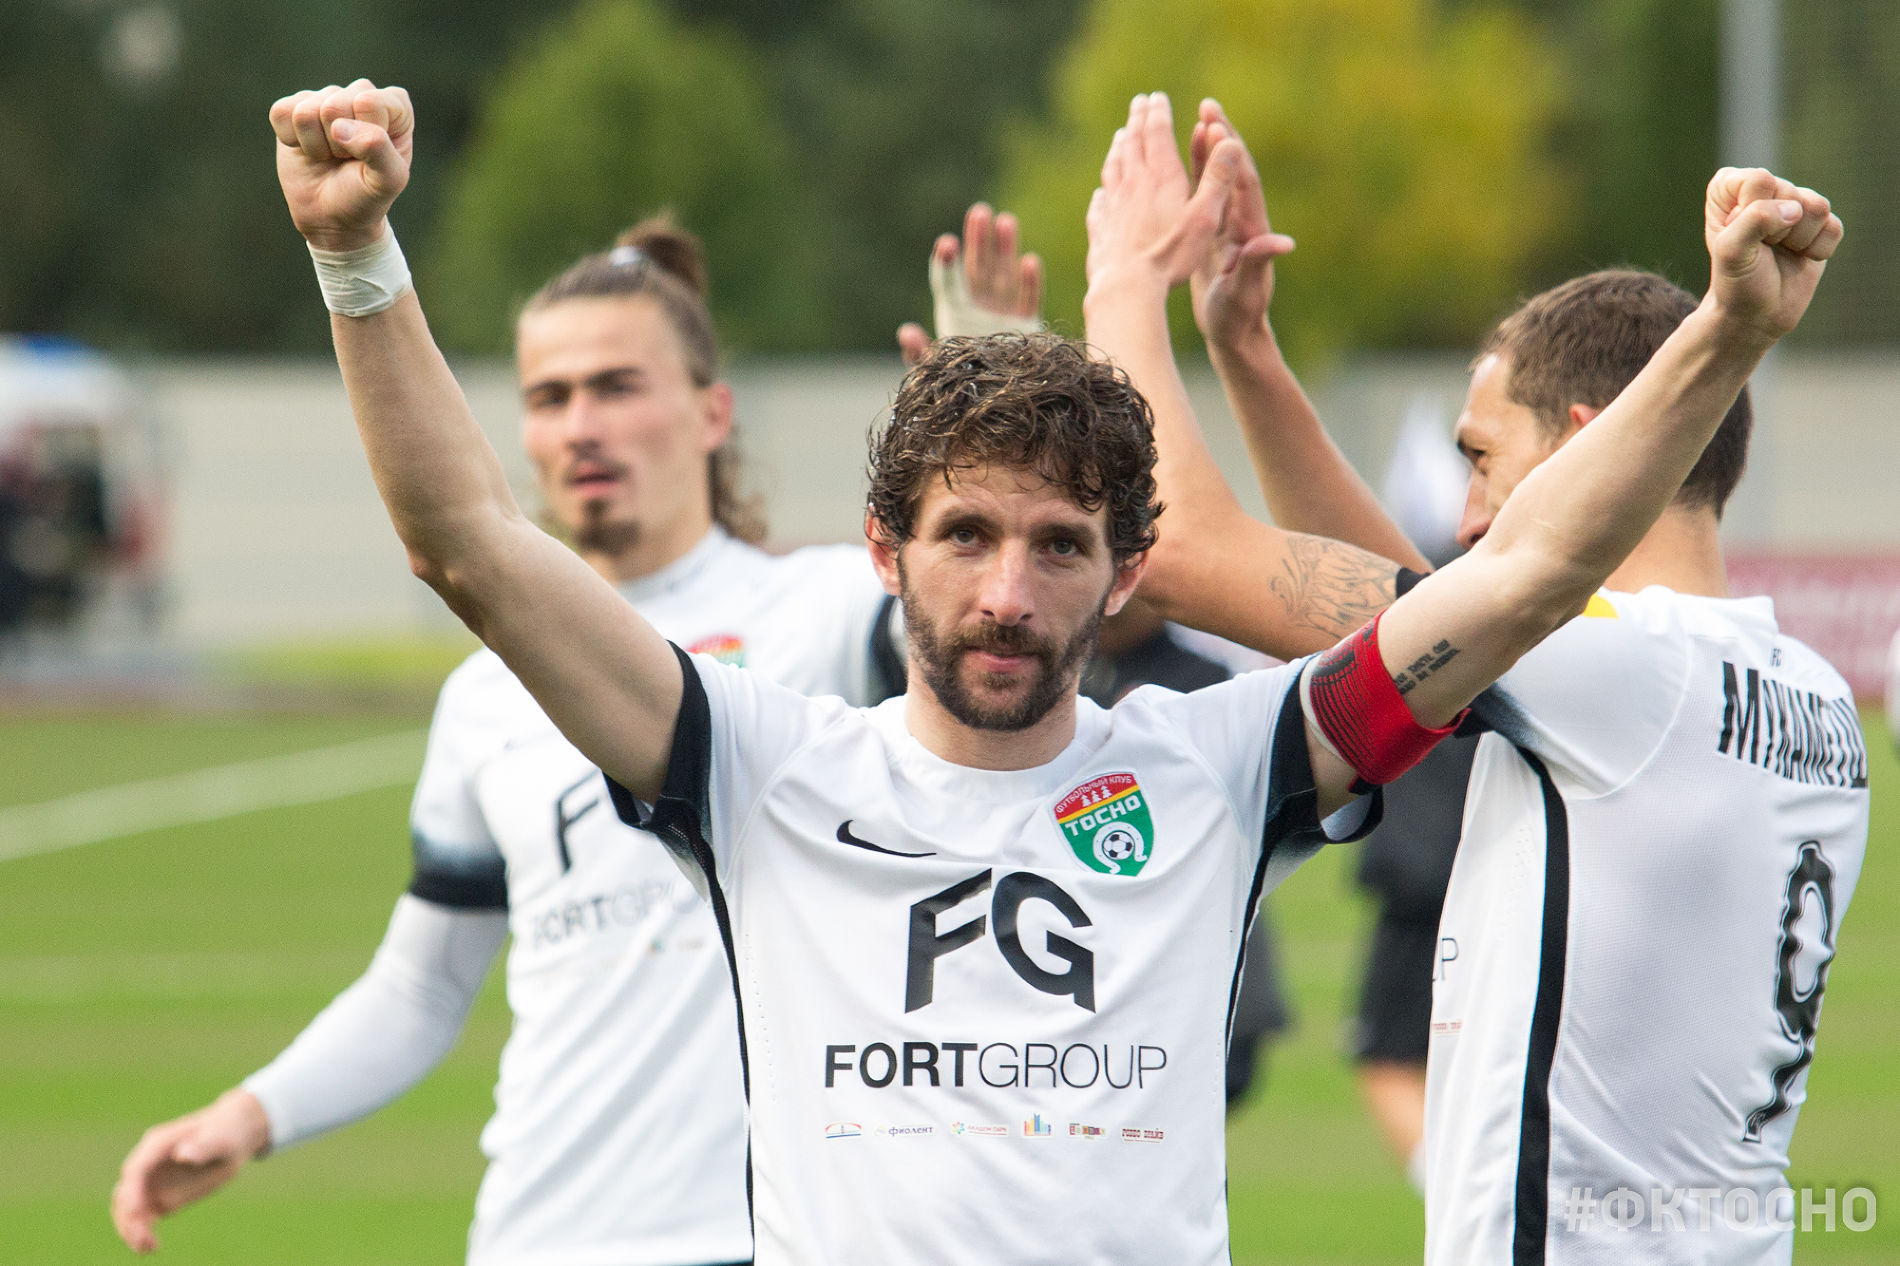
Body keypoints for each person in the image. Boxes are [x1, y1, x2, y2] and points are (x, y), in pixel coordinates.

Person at [269, 79, 1831, 1263]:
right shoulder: (754, 764)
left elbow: (1526, 580)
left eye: (1061, 546)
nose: (1008, 594)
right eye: (965, 536)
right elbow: (467, 544)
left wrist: (1724, 334)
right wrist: (354, 253)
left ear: (1129, 570)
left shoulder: (1235, 765)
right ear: (882, 552)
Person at [110, 201, 1040, 1262]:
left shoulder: (834, 614)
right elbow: (423, 985)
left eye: (616, 386)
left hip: (771, 1235)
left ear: (713, 412)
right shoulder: (485, 693)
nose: (582, 425)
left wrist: (1001, 424)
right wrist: (250, 1114)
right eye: (551, 397)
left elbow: (1015, 632)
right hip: (540, 1234)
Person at [1129, 97, 1865, 1262]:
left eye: (1482, 459)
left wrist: (1125, 284)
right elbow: (1424, 617)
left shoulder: (1619, 671)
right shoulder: (1805, 691)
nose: (1467, 515)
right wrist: (1248, 354)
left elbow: (1174, 551)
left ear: (1584, 447)